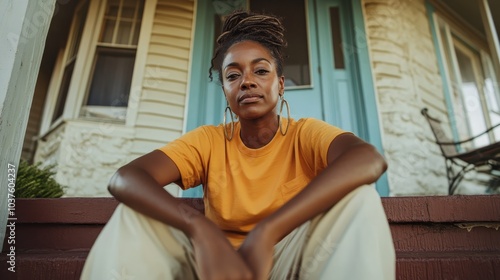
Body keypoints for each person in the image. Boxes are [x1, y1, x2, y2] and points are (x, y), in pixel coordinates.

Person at [80, 10, 395, 280]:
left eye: (260, 71)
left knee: (362, 200)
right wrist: (200, 229)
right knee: (132, 215)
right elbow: (126, 177)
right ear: (226, 91)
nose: (247, 81)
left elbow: (368, 159)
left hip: (286, 259)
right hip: (215, 265)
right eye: (233, 75)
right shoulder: (209, 140)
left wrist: (267, 231)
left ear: (281, 84)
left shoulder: (305, 134)